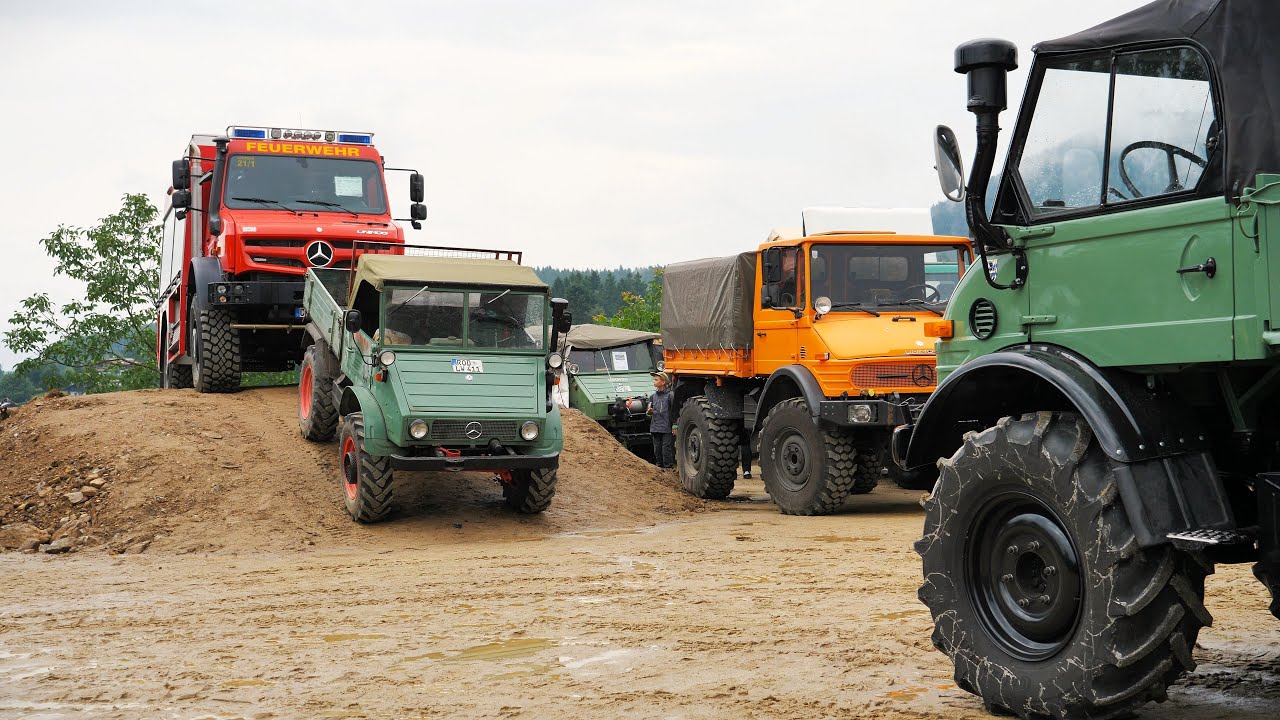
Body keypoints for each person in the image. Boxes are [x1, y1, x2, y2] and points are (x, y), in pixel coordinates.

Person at [648, 372, 675, 469]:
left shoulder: (671, 395)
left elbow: (674, 411)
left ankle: (668, 468)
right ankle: (659, 466)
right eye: (654, 379)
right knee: (657, 449)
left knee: (666, 448)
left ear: (663, 382)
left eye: (656, 380)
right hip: (655, 427)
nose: (654, 382)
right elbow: (648, 412)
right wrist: (649, 412)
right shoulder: (652, 397)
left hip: (666, 426)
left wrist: (675, 425)